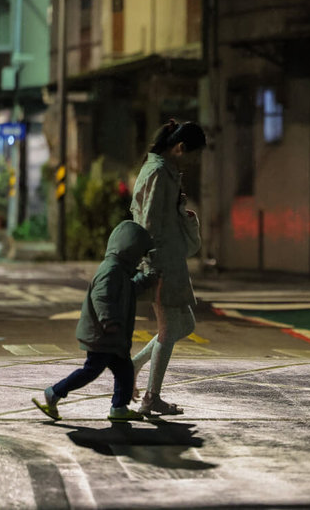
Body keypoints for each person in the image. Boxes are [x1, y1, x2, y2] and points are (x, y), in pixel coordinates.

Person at [32, 220, 156, 422]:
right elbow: (102, 298)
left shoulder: (120, 271)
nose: (139, 259)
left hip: (111, 338)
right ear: (130, 250)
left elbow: (130, 291)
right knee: (91, 371)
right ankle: (54, 392)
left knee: (124, 371)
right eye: (139, 253)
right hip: (103, 335)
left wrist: (146, 279)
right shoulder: (111, 270)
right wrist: (109, 321)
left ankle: (119, 408)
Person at [130, 119, 206, 415]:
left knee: (184, 325)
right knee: (167, 329)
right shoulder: (160, 173)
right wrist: (154, 265)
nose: (195, 161)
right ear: (180, 148)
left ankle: (134, 366)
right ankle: (150, 398)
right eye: (193, 154)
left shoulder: (165, 170)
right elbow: (149, 223)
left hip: (171, 260)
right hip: (161, 262)